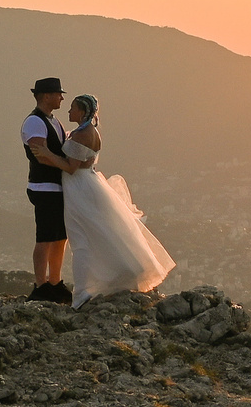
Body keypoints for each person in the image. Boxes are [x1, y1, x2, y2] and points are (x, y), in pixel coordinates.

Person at [57, 92, 175, 306]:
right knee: (104, 233)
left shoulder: (79, 135)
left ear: (82, 111)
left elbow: (71, 167)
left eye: (73, 108)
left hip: (79, 188)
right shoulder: (93, 133)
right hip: (91, 184)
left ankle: (82, 291)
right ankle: (107, 278)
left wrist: (46, 155)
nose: (69, 111)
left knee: (80, 240)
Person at [21, 78, 83, 303]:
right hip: (43, 186)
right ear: (46, 96)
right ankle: (41, 285)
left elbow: (50, 152)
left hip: (55, 187)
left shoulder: (52, 121)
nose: (62, 98)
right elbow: (41, 154)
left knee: (59, 237)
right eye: (58, 94)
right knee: (46, 236)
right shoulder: (34, 122)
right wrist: (66, 164)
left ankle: (55, 282)